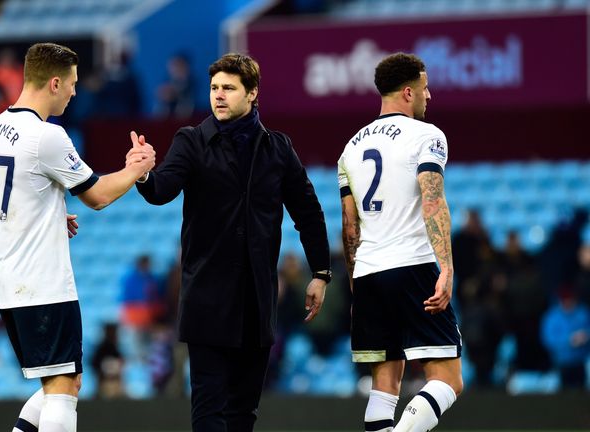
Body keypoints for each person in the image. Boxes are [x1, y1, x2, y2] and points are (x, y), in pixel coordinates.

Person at [133, 53, 330, 431]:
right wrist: (143, 174)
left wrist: (320, 272)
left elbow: (308, 212)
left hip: (257, 301)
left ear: (252, 93)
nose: (218, 96)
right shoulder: (191, 140)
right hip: (206, 298)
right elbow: (162, 190)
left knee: (244, 414)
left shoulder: (277, 148)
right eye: (213, 88)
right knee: (208, 409)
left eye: (228, 88)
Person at [0, 42, 154, 432]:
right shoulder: (46, 136)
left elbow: (11, 199)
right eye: (72, 84)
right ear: (54, 83)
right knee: (62, 389)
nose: (75, 92)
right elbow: (99, 196)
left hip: (8, 282)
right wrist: (137, 168)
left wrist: (52, 213)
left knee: (61, 380)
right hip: (42, 282)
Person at [338, 52, 463, 432]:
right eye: (426, 89)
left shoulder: (351, 147)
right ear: (409, 92)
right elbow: (432, 200)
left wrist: (355, 286)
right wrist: (447, 268)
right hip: (413, 265)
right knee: (447, 380)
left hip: (369, 274)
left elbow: (349, 227)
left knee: (384, 386)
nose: (431, 97)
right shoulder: (427, 135)